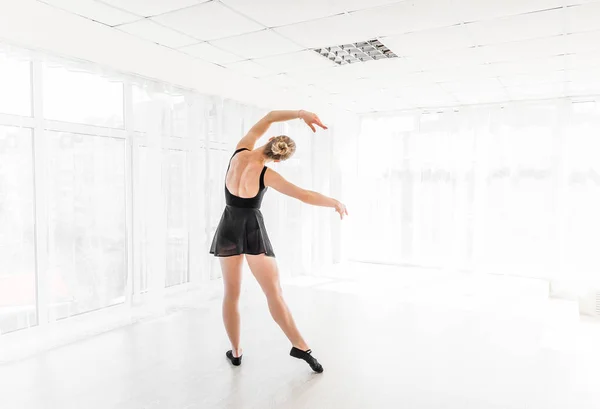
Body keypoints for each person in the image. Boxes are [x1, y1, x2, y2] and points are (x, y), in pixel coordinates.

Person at [210, 109, 348, 373]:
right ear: (280, 159)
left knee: (231, 294)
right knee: (274, 293)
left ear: (270, 139)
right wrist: (335, 202)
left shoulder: (239, 152)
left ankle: (236, 352)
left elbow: (270, 116)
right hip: (252, 231)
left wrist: (300, 114)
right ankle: (300, 345)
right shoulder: (267, 174)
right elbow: (304, 195)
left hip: (228, 227)